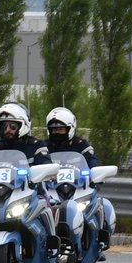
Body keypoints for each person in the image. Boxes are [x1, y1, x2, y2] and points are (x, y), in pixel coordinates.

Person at [43, 106, 114, 250]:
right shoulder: (44, 147)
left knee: (100, 204)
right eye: (53, 129)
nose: (57, 132)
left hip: (77, 187)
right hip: (51, 189)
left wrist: (96, 172)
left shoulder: (82, 146)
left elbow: (93, 161)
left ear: (70, 128)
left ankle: (100, 242)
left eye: (61, 129)